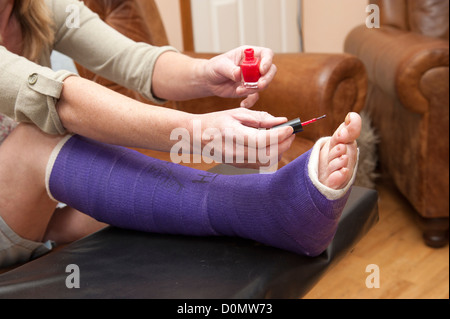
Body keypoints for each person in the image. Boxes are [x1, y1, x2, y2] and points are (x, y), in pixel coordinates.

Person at [0, 0, 361, 268]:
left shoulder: (39, 8)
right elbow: (59, 102)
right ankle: (267, 206)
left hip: (33, 206)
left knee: (112, 168)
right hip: (16, 184)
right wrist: (199, 133)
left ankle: (51, 233)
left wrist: (208, 72)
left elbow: (136, 61)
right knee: (40, 136)